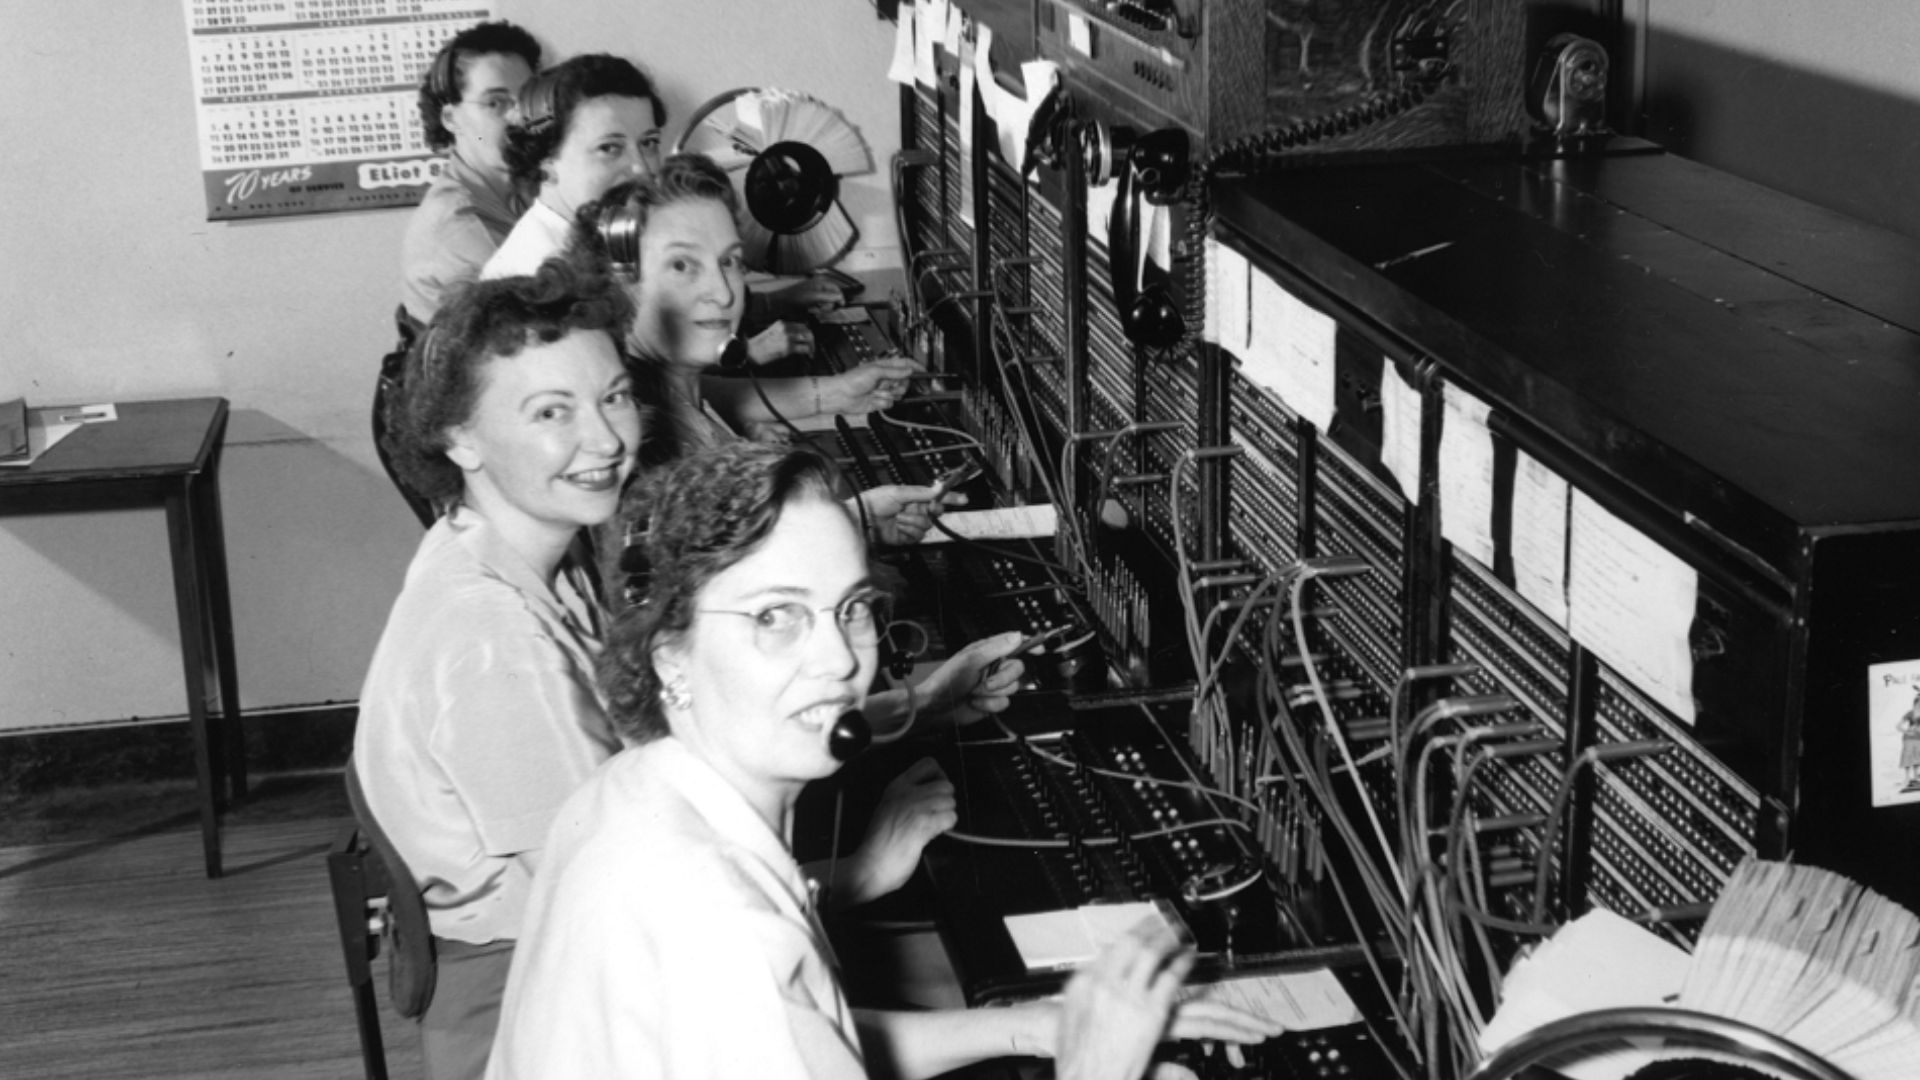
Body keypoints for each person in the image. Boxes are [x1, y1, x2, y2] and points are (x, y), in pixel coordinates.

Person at [486, 441, 1285, 1079]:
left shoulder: (631, 792)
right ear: (671, 655)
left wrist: (1031, 1027)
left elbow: (805, 1032)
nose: (839, 659)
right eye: (776, 617)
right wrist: (1094, 1066)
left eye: (853, 609)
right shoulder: (719, 932)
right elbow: (755, 1002)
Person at [574, 157, 939, 544]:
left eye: (729, 261)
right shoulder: (637, 443)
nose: (723, 292)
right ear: (618, 283)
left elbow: (704, 394)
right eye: (682, 265)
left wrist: (837, 392)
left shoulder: (662, 385)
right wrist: (853, 521)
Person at [378, 20, 543, 526]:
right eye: (494, 103)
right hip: (447, 423)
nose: (515, 120)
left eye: (524, 102)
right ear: (450, 116)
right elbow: (544, 326)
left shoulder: (519, 192)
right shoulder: (458, 221)